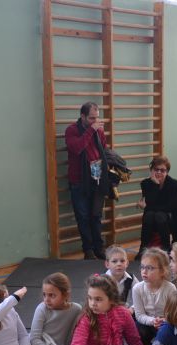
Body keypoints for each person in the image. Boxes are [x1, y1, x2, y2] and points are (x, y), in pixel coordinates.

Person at [65, 102, 109, 259]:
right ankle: (88, 250)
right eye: (91, 118)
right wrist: (91, 130)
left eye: (96, 118)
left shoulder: (98, 130)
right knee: (83, 217)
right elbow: (77, 148)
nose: (95, 121)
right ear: (82, 116)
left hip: (97, 178)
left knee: (96, 216)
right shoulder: (72, 130)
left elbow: (104, 149)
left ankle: (99, 248)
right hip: (79, 180)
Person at [138, 155, 177, 251]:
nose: (159, 172)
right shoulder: (145, 183)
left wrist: (148, 207)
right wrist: (155, 185)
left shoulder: (173, 184)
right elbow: (151, 202)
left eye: (163, 170)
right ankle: (143, 248)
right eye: (156, 169)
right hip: (155, 217)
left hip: (174, 218)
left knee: (158, 215)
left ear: (167, 172)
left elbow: (170, 207)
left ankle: (166, 248)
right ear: (151, 170)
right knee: (149, 215)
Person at [133, 247, 177, 345]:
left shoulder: (170, 288)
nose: (144, 271)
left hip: (165, 323)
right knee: (138, 329)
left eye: (150, 268)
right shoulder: (137, 288)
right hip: (147, 322)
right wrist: (153, 321)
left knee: (171, 332)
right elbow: (139, 315)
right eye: (142, 267)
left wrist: (163, 321)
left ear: (162, 271)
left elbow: (173, 313)